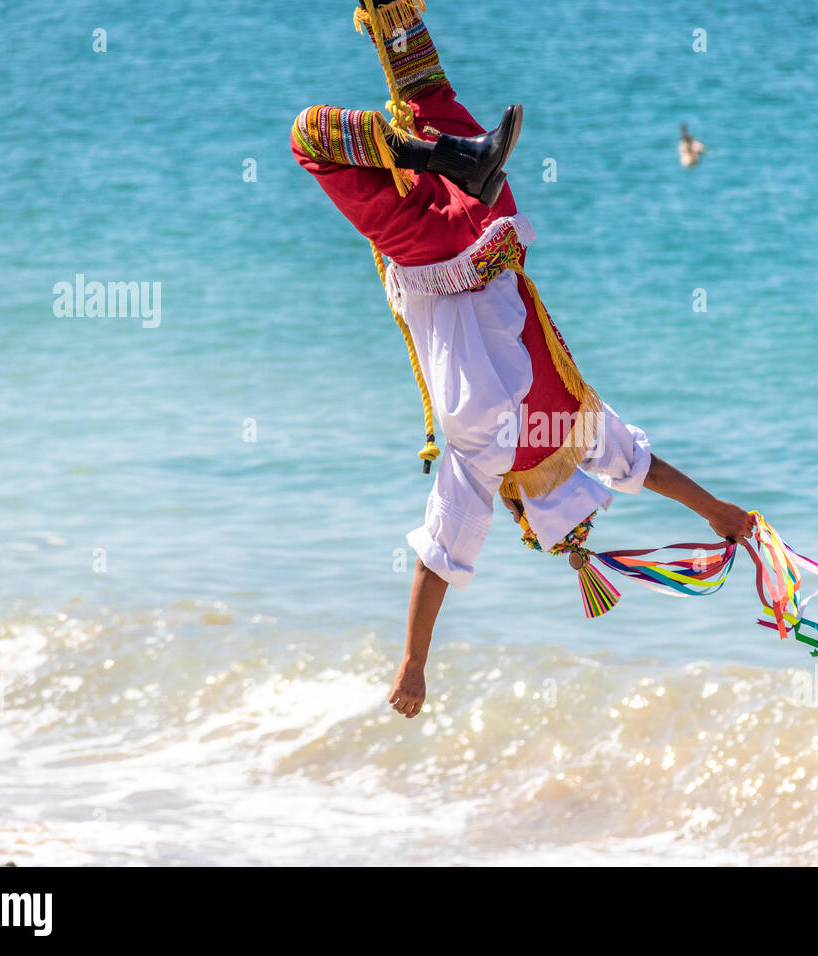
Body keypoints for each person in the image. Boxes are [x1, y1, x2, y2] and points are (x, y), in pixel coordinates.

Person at [293, 1, 753, 718]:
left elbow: (641, 470)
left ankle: (443, 141)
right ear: (521, 503)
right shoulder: (489, 459)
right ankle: (438, 153)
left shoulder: (576, 426)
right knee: (310, 138)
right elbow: (437, 562)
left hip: (494, 224)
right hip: (433, 253)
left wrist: (718, 511)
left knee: (427, 95)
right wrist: (413, 665)